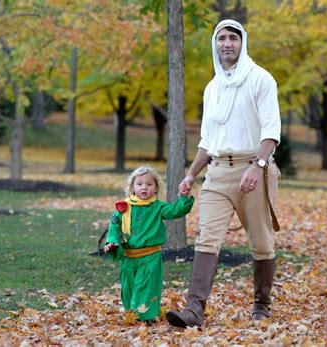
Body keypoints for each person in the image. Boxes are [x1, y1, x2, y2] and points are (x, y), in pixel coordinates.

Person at [166, 19, 281, 328]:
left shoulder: (261, 79)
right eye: (221, 39)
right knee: (207, 238)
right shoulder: (213, 87)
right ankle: (194, 310)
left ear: (242, 42)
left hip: (251, 170)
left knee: (261, 243)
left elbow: (271, 130)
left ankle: (262, 305)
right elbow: (208, 140)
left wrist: (258, 167)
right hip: (217, 174)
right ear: (215, 45)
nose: (227, 44)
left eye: (233, 38)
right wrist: (191, 175)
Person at [105, 166, 194, 323]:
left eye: (149, 184)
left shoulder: (159, 207)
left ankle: (144, 318)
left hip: (149, 257)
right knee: (129, 288)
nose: (144, 187)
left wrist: (184, 198)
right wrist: (112, 242)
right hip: (128, 257)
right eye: (139, 184)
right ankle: (131, 315)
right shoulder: (124, 207)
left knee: (145, 288)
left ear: (156, 188)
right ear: (132, 187)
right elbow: (114, 226)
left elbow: (176, 210)